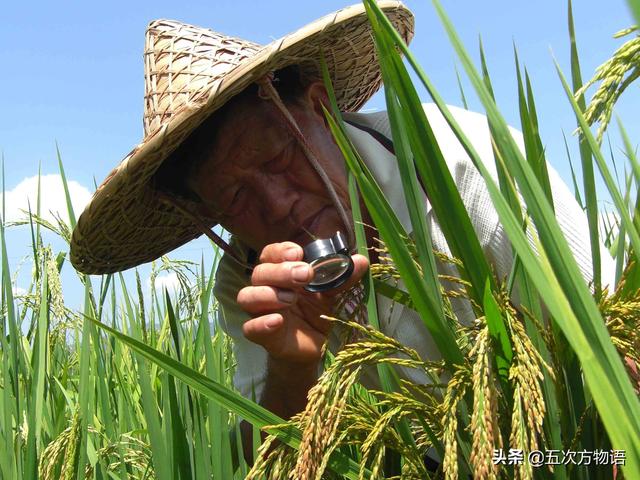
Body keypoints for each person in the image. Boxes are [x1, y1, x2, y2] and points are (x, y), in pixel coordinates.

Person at [70, 1, 614, 463]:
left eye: (281, 157)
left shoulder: (460, 162)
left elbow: (615, 344)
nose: (277, 203)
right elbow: (276, 460)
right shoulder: (249, 280)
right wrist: (293, 366)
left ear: (320, 108)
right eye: (238, 199)